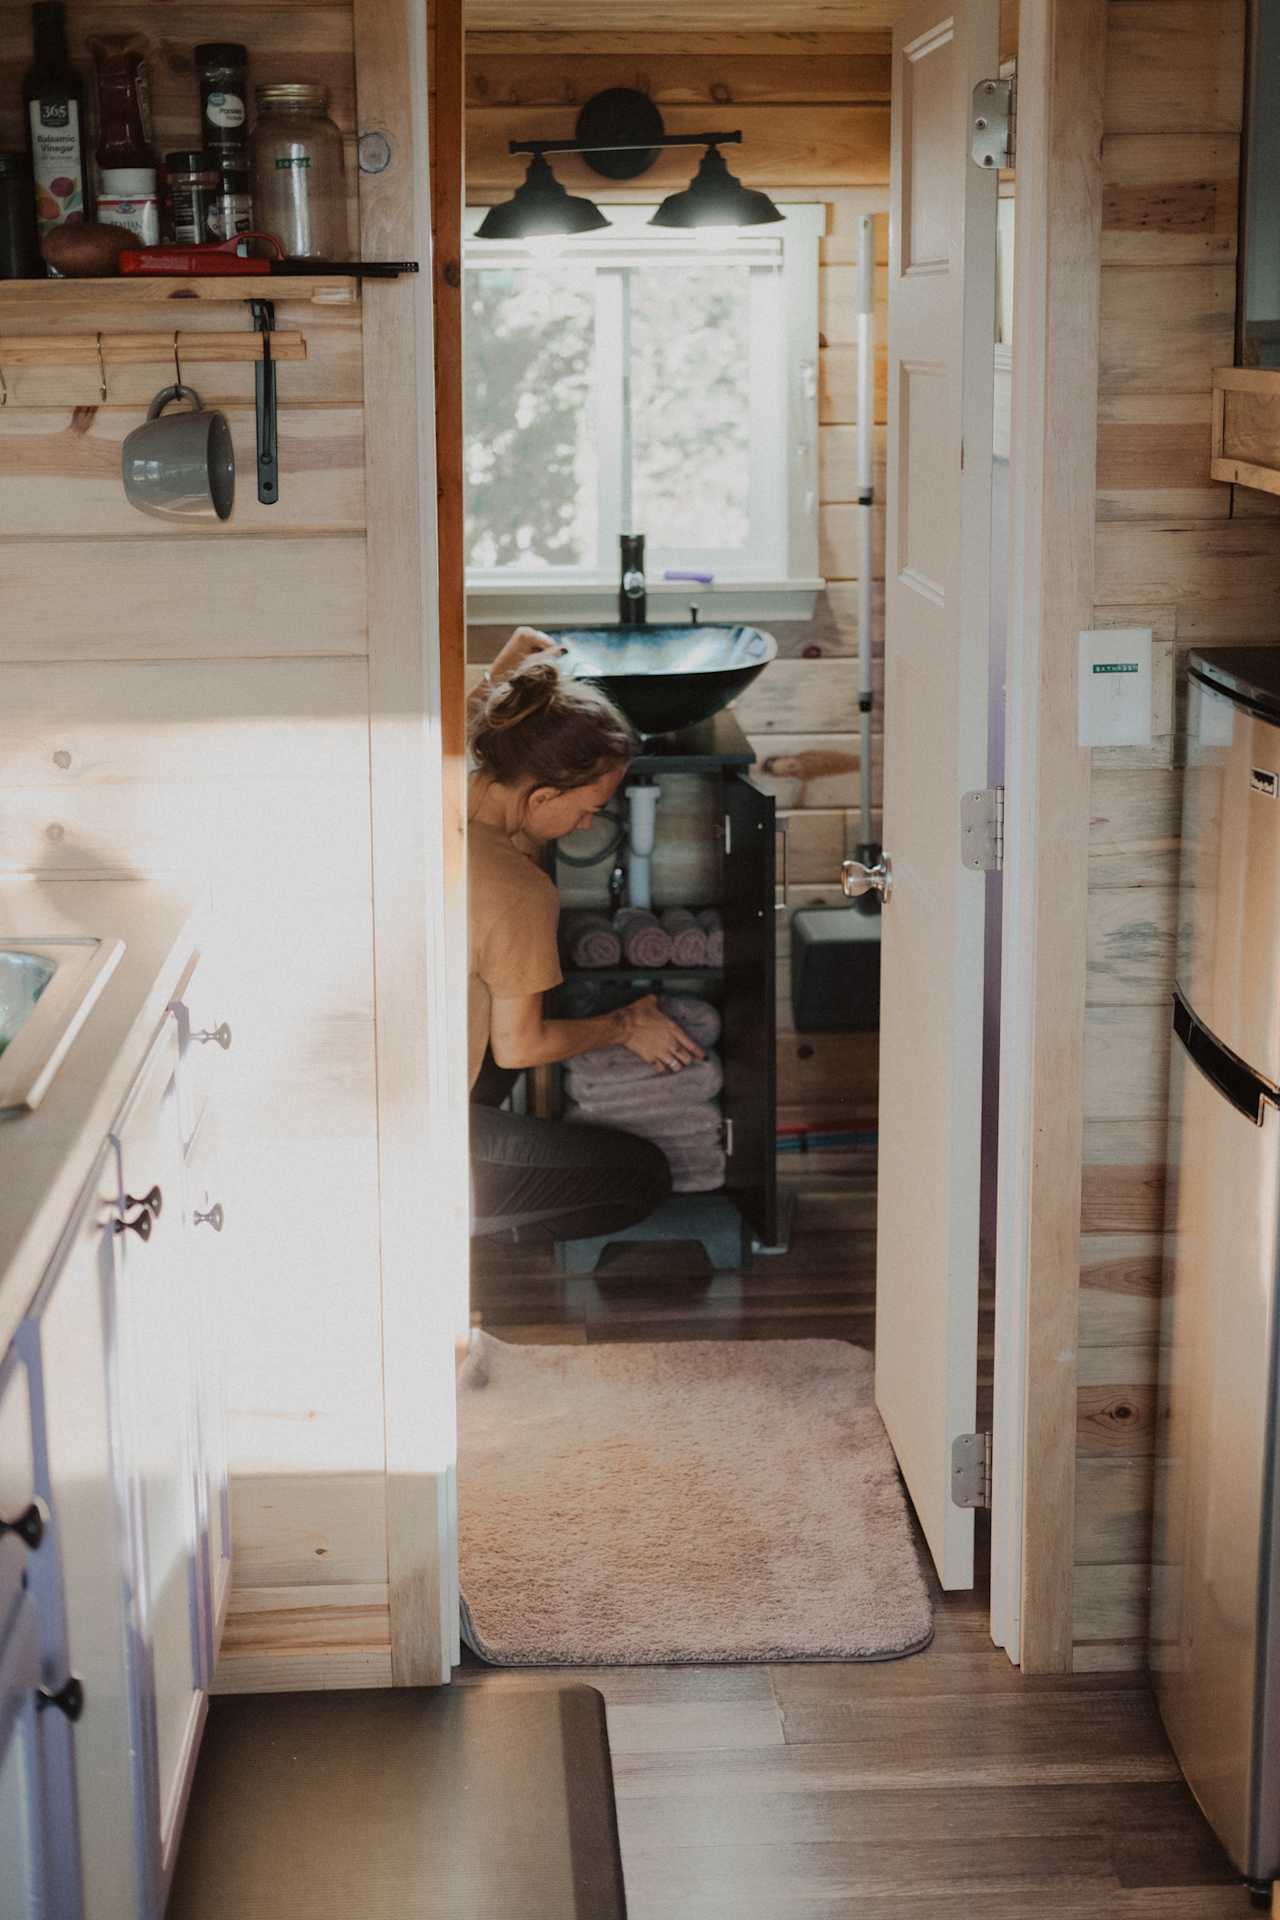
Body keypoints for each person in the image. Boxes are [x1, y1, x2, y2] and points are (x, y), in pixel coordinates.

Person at [468, 626, 703, 1245]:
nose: (588, 822)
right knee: (642, 1177)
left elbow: (481, 725)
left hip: (381, 1084)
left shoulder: (447, 776)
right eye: (588, 807)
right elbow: (518, 1048)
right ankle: (431, 1218)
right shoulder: (516, 891)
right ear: (542, 793)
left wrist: (503, 672)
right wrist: (626, 1026)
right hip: (414, 1134)